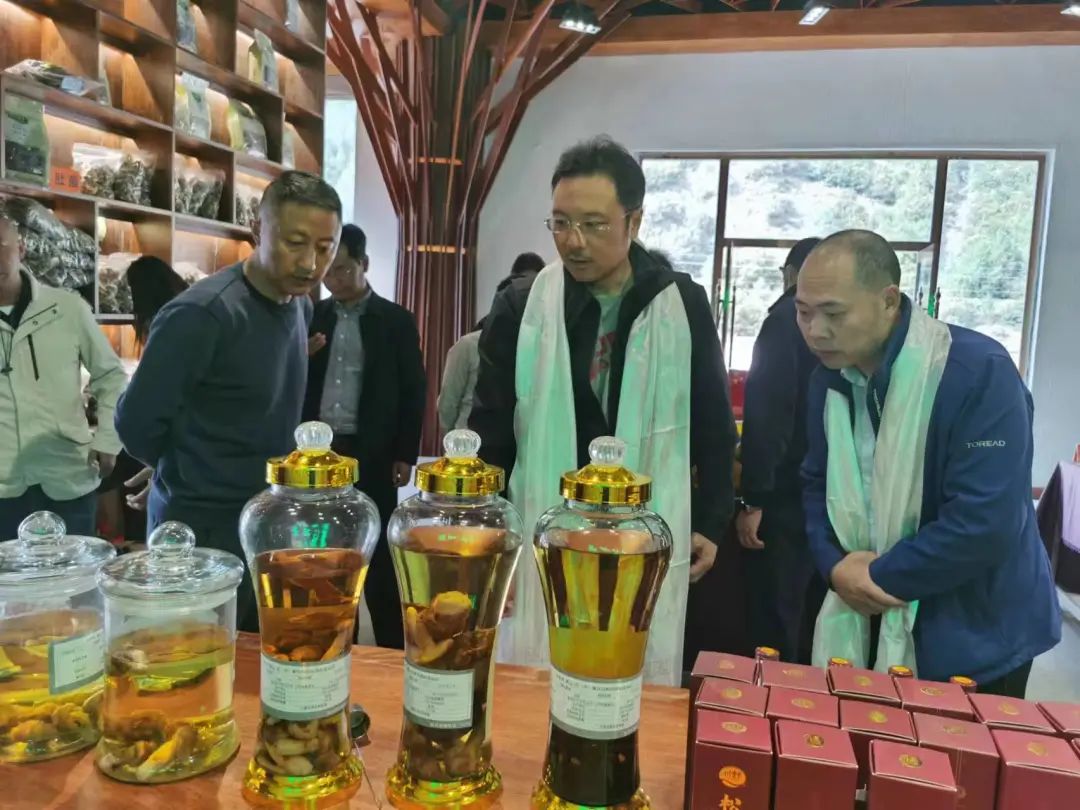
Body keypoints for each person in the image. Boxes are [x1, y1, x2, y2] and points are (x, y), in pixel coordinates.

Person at [470, 137, 737, 685]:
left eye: (593, 225)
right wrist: (490, 532)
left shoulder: (679, 302)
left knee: (630, 662)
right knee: (541, 664)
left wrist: (712, 520)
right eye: (561, 223)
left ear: (633, 221)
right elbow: (492, 429)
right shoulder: (522, 306)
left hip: (643, 522)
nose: (574, 241)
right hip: (548, 516)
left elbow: (711, 421)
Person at [798, 229, 1060, 696]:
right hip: (863, 608)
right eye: (803, 312)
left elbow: (985, 522)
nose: (815, 331)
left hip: (973, 627)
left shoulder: (974, 373)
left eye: (833, 313)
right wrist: (835, 567)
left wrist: (874, 577)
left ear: (888, 301)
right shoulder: (831, 381)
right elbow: (817, 483)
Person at [116, 171, 343, 631]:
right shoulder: (203, 314)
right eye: (295, 243)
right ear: (258, 230)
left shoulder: (299, 304)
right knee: (194, 653)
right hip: (200, 525)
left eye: (325, 248)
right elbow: (135, 423)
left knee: (264, 648)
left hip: (267, 513)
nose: (310, 263)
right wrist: (182, 464)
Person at [303, 224, 425, 650]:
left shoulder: (394, 321)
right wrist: (303, 355)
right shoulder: (311, 316)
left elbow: (413, 389)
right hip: (319, 452)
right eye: (327, 272)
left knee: (377, 550)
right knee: (325, 549)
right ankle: (337, 639)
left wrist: (405, 452)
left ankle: (390, 646)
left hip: (372, 448)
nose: (333, 280)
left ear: (364, 264)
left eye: (342, 270)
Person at [0, 212, 126, 539]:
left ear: (21, 248)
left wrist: (108, 439)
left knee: (73, 570)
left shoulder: (66, 308)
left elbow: (111, 376)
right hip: (4, 486)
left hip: (67, 478)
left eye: (2, 246)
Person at [736, 237, 825, 664]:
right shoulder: (843, 327)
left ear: (790, 274)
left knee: (776, 613)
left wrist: (753, 498)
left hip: (785, 497)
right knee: (813, 615)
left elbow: (768, 414)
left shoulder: (784, 321)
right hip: (829, 494)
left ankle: (773, 693)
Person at [98, 257, 190, 543]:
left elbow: (136, 417)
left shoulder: (167, 322)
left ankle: (122, 539)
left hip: (175, 441)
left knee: (114, 465)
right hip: (183, 441)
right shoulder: (187, 311)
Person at [437, 321, 482, 432]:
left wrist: (450, 433)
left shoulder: (468, 344)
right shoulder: (518, 344)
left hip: (466, 434)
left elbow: (448, 401)